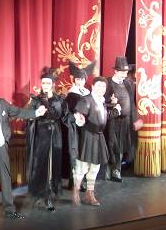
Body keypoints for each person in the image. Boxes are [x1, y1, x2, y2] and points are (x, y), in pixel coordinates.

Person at [0, 83, 47, 222]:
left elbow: (17, 112)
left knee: (6, 178)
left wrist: (36, 113)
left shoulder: (1, 103)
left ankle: (9, 209)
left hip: (2, 146)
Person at [26, 68, 77, 212]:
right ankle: (41, 193)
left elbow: (66, 116)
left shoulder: (60, 100)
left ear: (53, 84)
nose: (46, 85)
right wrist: (32, 115)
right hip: (41, 135)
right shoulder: (36, 99)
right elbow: (30, 115)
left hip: (55, 134)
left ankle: (49, 194)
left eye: (48, 83)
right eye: (43, 83)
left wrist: (76, 118)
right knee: (41, 163)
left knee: (52, 163)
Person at [73, 77, 120, 206]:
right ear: (93, 86)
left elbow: (103, 116)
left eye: (103, 87)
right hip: (87, 136)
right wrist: (79, 118)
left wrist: (116, 110)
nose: (101, 89)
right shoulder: (86, 99)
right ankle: (76, 192)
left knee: (95, 166)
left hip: (99, 136)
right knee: (82, 167)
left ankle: (90, 193)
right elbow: (79, 114)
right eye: (98, 86)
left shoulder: (102, 101)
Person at [104, 56, 143, 182]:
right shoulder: (107, 83)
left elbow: (131, 103)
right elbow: (101, 102)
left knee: (122, 146)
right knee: (112, 145)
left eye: (126, 72)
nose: (124, 75)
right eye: (122, 72)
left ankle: (117, 168)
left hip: (125, 121)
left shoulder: (128, 83)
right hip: (112, 121)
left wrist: (135, 119)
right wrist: (113, 105)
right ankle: (111, 169)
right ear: (115, 71)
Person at [65, 62, 95, 191]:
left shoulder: (88, 92)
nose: (80, 81)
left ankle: (82, 179)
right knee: (76, 154)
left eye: (82, 79)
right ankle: (74, 181)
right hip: (75, 128)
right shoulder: (71, 94)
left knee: (84, 153)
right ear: (74, 79)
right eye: (78, 79)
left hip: (87, 128)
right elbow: (69, 112)